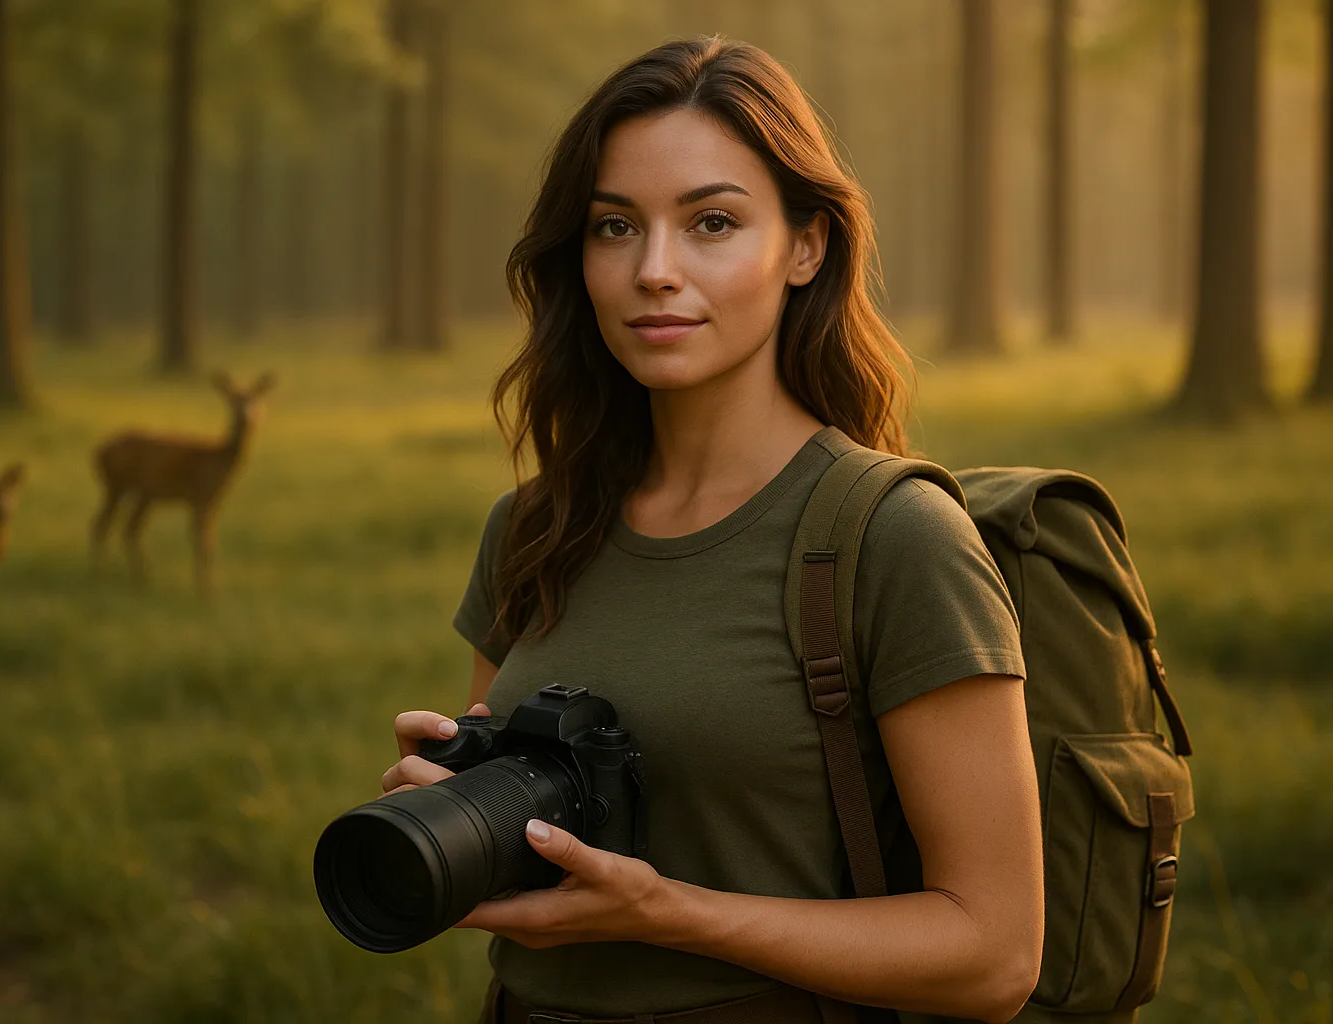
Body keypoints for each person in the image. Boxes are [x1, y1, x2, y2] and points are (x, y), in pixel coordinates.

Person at [380, 37, 1043, 1024]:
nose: (654, 270)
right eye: (614, 227)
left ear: (806, 247)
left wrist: (668, 913)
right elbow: (524, 874)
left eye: (713, 222)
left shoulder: (895, 538)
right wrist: (453, 804)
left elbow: (993, 953)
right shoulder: (533, 526)